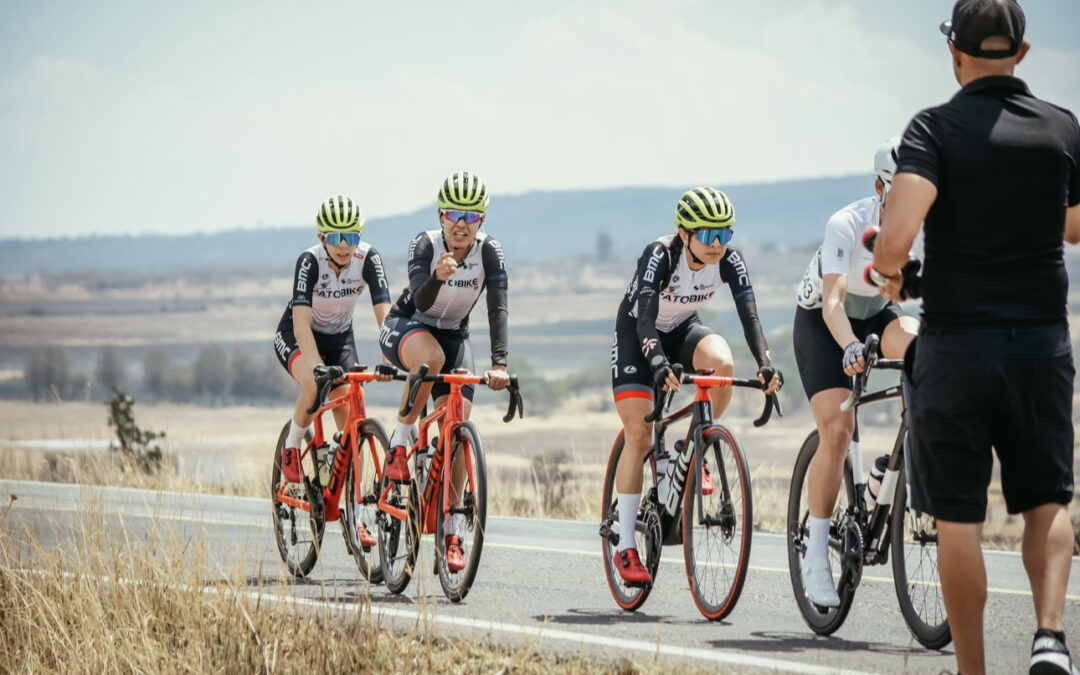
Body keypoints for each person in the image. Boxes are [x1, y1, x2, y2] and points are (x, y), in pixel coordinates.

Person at [872, 2, 1080, 673]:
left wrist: (892, 274)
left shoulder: (933, 129)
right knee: (1047, 500)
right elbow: (1075, 228)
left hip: (958, 348)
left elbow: (897, 239)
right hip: (1041, 346)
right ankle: (1050, 636)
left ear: (954, 54)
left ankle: (973, 669)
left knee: (958, 518)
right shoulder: (1062, 129)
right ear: (1021, 54)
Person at [610, 186, 782, 584]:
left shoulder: (729, 261)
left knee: (721, 363)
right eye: (708, 235)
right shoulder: (660, 255)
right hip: (639, 335)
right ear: (684, 234)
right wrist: (656, 361)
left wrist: (765, 364)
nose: (718, 244)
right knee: (639, 434)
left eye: (725, 234)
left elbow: (750, 318)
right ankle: (625, 547)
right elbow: (645, 320)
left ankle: (696, 446)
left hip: (682, 328)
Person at [791, 138, 921, 608]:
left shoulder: (928, 229)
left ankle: (904, 467)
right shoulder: (847, 223)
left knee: (922, 354)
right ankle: (816, 552)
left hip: (878, 316)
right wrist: (848, 346)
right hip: (826, 323)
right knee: (839, 429)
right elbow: (833, 302)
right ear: (880, 188)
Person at [378, 170, 510, 572]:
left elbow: (497, 308)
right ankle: (400, 445)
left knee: (456, 428)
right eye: (453, 213)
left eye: (470, 216)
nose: (461, 223)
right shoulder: (425, 244)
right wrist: (437, 276)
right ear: (440, 215)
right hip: (406, 326)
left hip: (456, 336)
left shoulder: (490, 252)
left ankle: (451, 531)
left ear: (481, 221)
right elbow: (419, 298)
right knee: (431, 357)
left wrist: (500, 363)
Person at [273, 195, 392, 547]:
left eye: (351, 237)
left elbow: (385, 313)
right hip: (298, 336)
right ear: (322, 236)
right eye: (336, 237)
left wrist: (390, 355)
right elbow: (300, 326)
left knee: (352, 426)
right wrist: (317, 368)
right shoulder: (309, 261)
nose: (344, 246)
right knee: (313, 386)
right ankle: (292, 450)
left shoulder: (368, 258)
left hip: (340, 339)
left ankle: (353, 513)